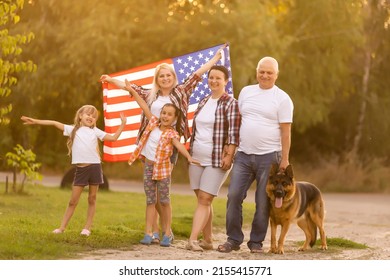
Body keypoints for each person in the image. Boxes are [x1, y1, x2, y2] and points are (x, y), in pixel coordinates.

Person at [100, 45, 226, 243]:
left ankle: (167, 231)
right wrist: (109, 79)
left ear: (173, 77)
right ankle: (155, 231)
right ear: (157, 79)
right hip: (149, 144)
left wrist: (216, 57)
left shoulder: (181, 91)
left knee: (162, 189)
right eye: (161, 76)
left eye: (168, 75)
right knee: (152, 189)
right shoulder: (151, 95)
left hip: (170, 145)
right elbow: (129, 87)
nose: (165, 78)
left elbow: (198, 73)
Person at [217, 56, 294, 253]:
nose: (265, 75)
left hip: (269, 158)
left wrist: (284, 159)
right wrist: (230, 147)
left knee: (262, 201)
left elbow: (286, 132)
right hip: (243, 155)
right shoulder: (246, 92)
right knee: (234, 195)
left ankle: (256, 243)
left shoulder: (283, 99)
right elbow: (237, 122)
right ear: (257, 72)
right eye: (262, 71)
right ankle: (233, 240)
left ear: (277, 75)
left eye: (269, 72)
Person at [21, 105, 126, 236]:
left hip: (95, 167)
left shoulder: (95, 131)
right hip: (81, 170)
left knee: (92, 198)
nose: (91, 117)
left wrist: (123, 124)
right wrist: (36, 121)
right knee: (73, 201)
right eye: (88, 114)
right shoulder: (73, 130)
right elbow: (54, 123)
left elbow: (113, 138)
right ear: (80, 116)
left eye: (94, 116)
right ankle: (61, 228)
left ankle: (87, 228)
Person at [123, 79, 199, 247]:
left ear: (174, 118)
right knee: (150, 201)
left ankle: (167, 233)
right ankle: (149, 232)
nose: (165, 116)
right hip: (149, 167)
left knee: (164, 201)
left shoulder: (172, 134)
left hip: (163, 170)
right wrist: (132, 91)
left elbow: (179, 146)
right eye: (163, 113)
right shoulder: (153, 123)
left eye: (169, 114)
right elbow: (143, 105)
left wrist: (188, 157)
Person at [185, 65, 241, 251]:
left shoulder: (230, 103)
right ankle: (208, 240)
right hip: (196, 157)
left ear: (226, 81)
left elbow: (234, 133)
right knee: (202, 200)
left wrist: (230, 154)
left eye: (218, 78)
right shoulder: (203, 101)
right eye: (211, 78)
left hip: (217, 159)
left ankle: (193, 240)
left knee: (204, 198)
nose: (214, 81)